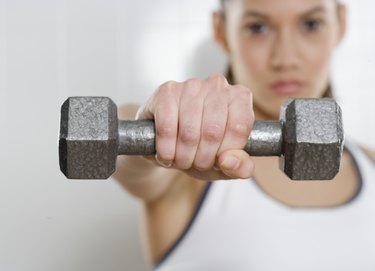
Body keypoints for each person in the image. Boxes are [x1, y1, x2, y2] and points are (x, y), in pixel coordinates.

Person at [114, 0, 375, 270]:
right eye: (257, 27)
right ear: (221, 31)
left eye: (311, 24)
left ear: (341, 24)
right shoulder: (184, 160)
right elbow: (134, 166)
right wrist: (152, 125)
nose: (285, 58)